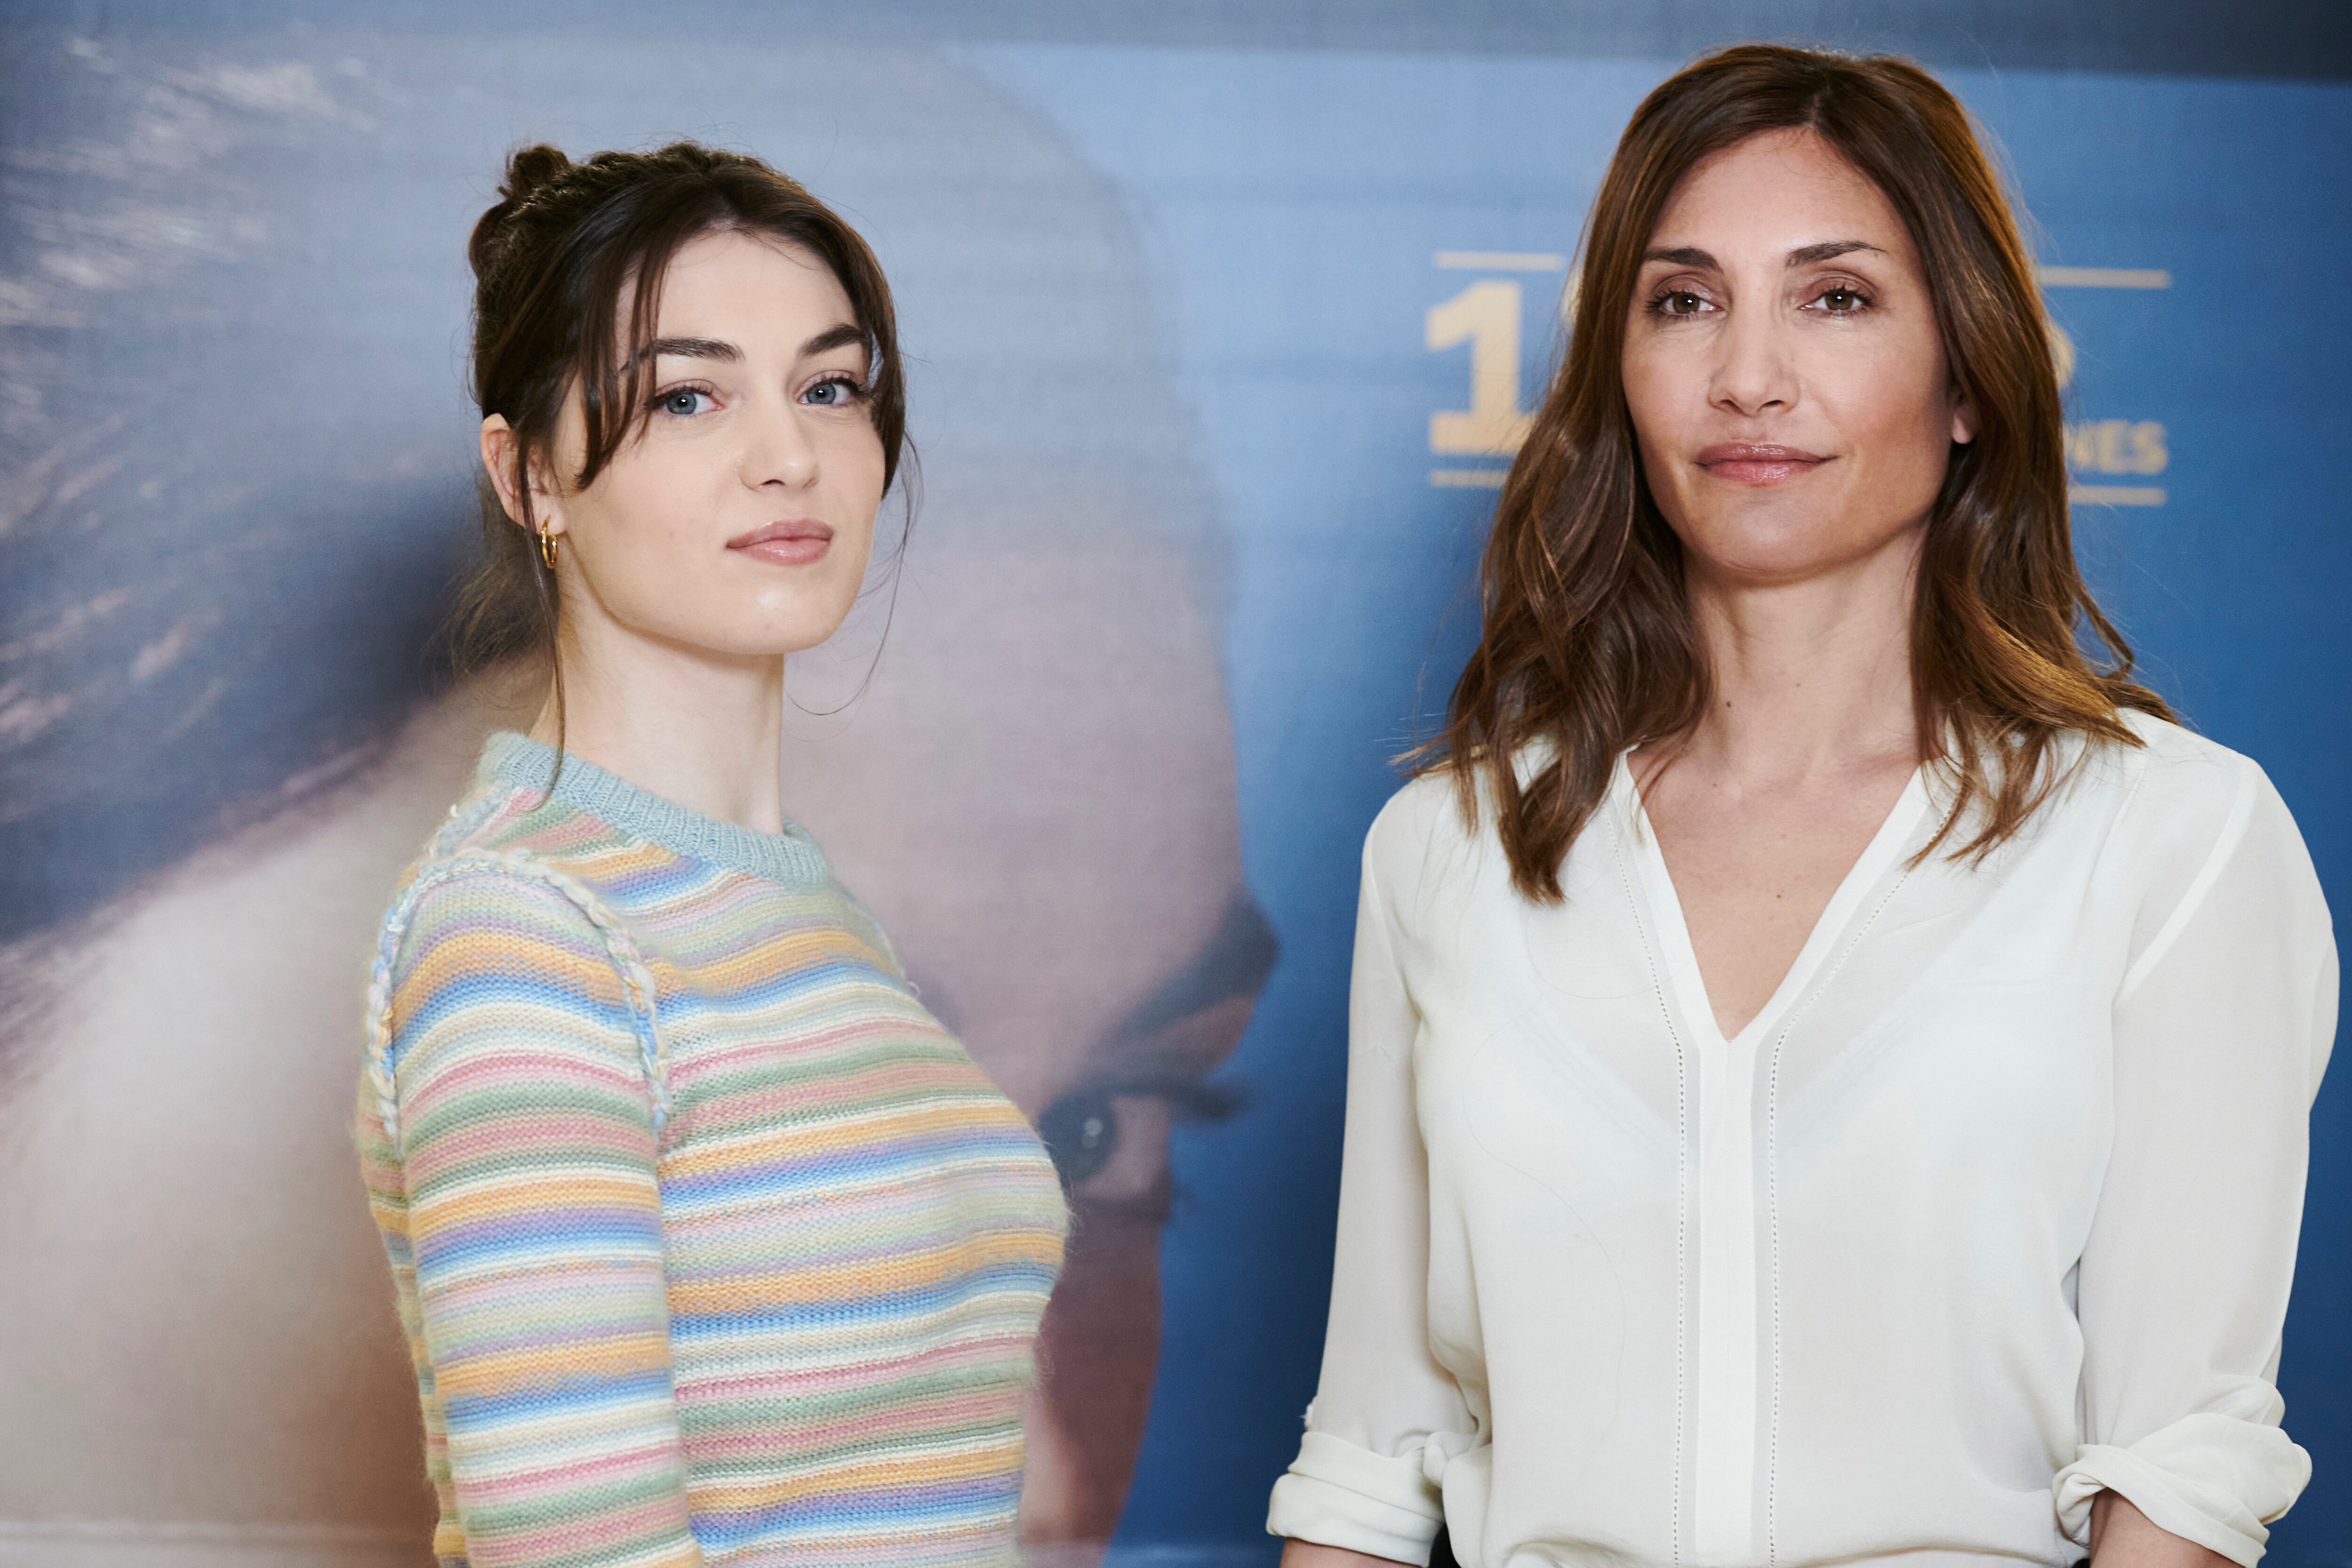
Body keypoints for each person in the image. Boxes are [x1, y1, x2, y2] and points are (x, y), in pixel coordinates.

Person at [1269, 44, 2334, 1568]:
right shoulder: (1449, 850)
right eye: (1683, 300)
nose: (1746, 376)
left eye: (1835, 298)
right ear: (1618, 374)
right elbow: (1371, 1462)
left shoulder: (2173, 838)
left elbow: (2182, 1472)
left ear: (1968, 378)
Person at [355, 142, 1073, 1566]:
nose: (788, 454)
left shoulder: (813, 914)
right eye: (690, 396)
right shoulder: (524, 932)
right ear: (529, 477)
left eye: (829, 387)